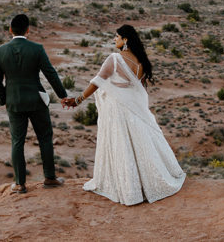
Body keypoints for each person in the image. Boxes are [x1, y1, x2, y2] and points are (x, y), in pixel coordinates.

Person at [66, 24, 185, 205]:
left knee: (122, 144)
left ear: (125, 39)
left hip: (119, 109)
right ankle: (145, 184)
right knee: (140, 145)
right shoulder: (141, 61)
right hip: (134, 107)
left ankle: (130, 189)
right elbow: (140, 88)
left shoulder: (115, 59)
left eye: (117, 36)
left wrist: (78, 100)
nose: (114, 39)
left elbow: (97, 81)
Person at [0, 14, 71, 193]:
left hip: (14, 103)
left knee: (17, 141)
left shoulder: (0, 51)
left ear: (10, 30)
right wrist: (62, 95)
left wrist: (4, 100)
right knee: (45, 138)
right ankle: (50, 178)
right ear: (28, 30)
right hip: (37, 101)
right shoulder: (37, 48)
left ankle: (20, 184)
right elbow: (50, 73)